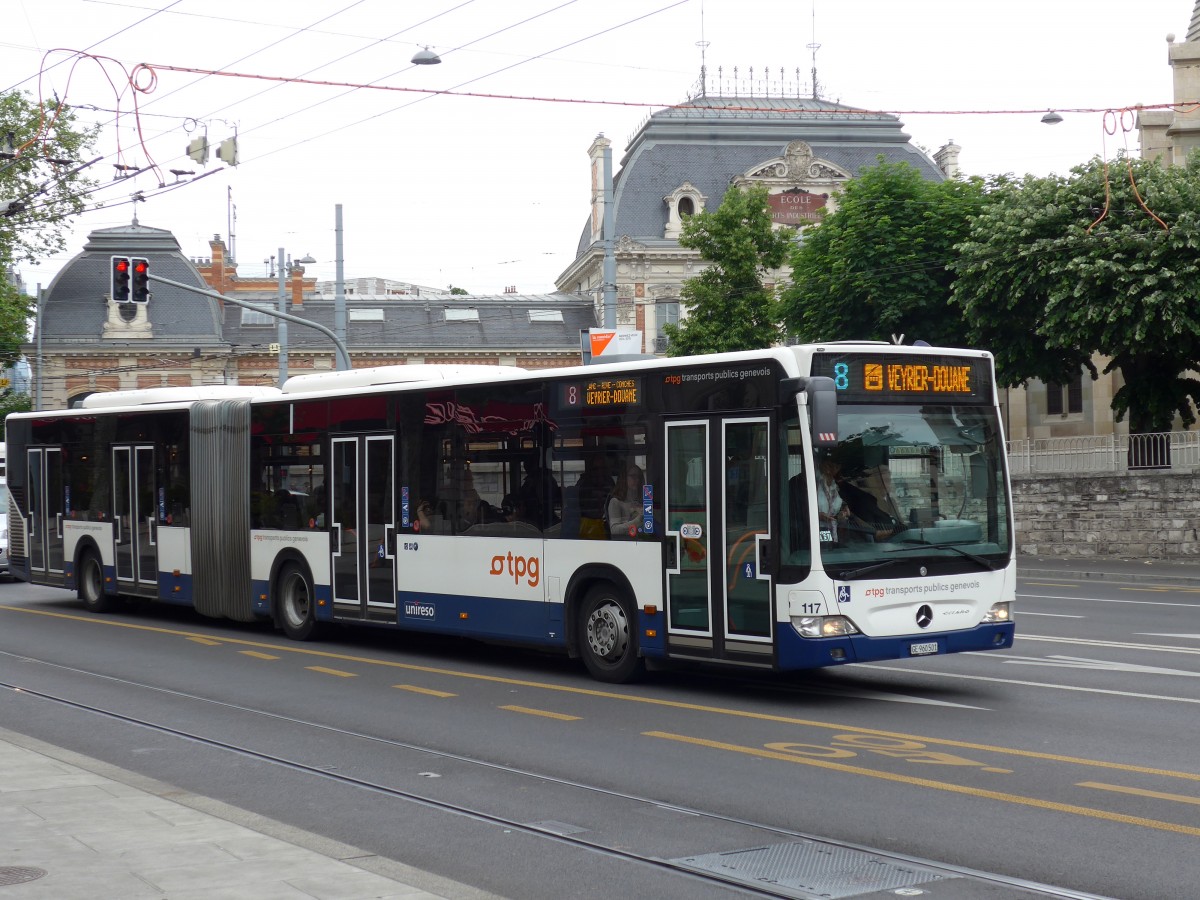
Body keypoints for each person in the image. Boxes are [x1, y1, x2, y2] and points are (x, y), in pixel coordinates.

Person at [576, 454, 614, 539]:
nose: (599, 471)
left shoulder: (609, 481)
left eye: (602, 468)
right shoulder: (583, 482)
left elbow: (614, 498)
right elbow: (579, 504)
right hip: (588, 523)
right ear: (591, 469)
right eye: (596, 468)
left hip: (607, 523)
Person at [815, 452, 849, 543]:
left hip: (834, 531)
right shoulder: (813, 483)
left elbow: (837, 508)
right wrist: (818, 515)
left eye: (836, 466)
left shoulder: (835, 486)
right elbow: (802, 509)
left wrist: (842, 513)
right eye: (828, 465)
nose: (831, 469)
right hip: (817, 529)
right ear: (821, 465)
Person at [608, 462, 645, 538]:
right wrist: (637, 520)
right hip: (625, 544)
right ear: (624, 478)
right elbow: (614, 530)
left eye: (639, 477)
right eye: (633, 476)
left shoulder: (641, 500)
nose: (637, 480)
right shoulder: (616, 502)